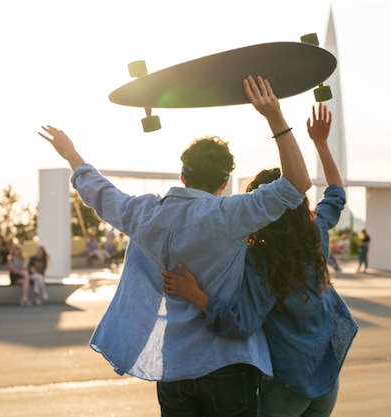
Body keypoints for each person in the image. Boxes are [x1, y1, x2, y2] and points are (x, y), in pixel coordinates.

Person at [38, 76, 312, 417]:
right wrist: (275, 117)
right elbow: (297, 184)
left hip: (174, 366)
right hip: (225, 363)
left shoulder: (145, 214)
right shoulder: (229, 214)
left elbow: (101, 193)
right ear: (225, 181)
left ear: (182, 176)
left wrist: (71, 154)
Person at [162, 103, 358, 417]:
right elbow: (336, 193)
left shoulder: (262, 260)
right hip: (327, 378)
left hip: (287, 386)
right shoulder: (316, 231)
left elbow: (239, 323)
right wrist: (320, 144)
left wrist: (192, 293)